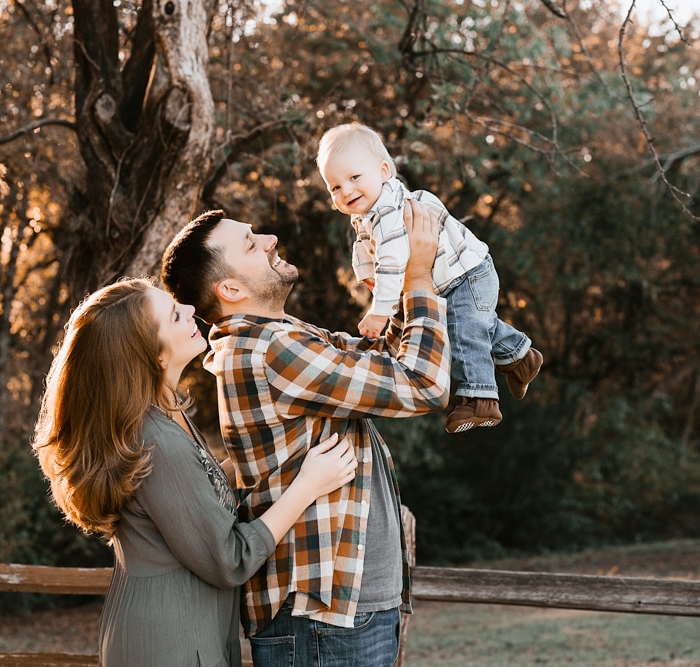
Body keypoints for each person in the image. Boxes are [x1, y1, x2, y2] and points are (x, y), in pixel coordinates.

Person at [159, 200, 450, 667]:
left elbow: (384, 359)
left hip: (339, 610)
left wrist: (395, 290)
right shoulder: (272, 349)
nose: (271, 239)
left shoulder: (281, 335)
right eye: (251, 244)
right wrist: (418, 280)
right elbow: (423, 383)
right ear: (230, 287)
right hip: (321, 617)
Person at [31, 277, 359, 667]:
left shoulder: (167, 414)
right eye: (174, 315)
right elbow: (229, 558)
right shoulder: (156, 439)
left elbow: (197, 492)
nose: (189, 310)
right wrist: (307, 485)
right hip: (169, 640)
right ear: (152, 355)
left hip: (186, 626)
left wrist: (265, 451)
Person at [317, 122, 543, 434]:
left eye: (354, 177)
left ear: (383, 171)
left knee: (464, 332)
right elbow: (365, 250)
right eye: (336, 187)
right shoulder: (368, 214)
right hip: (451, 279)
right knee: (470, 324)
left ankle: (480, 399)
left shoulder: (388, 211)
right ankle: (520, 357)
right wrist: (368, 276)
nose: (347, 190)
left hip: (466, 275)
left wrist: (379, 310)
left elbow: (394, 260)